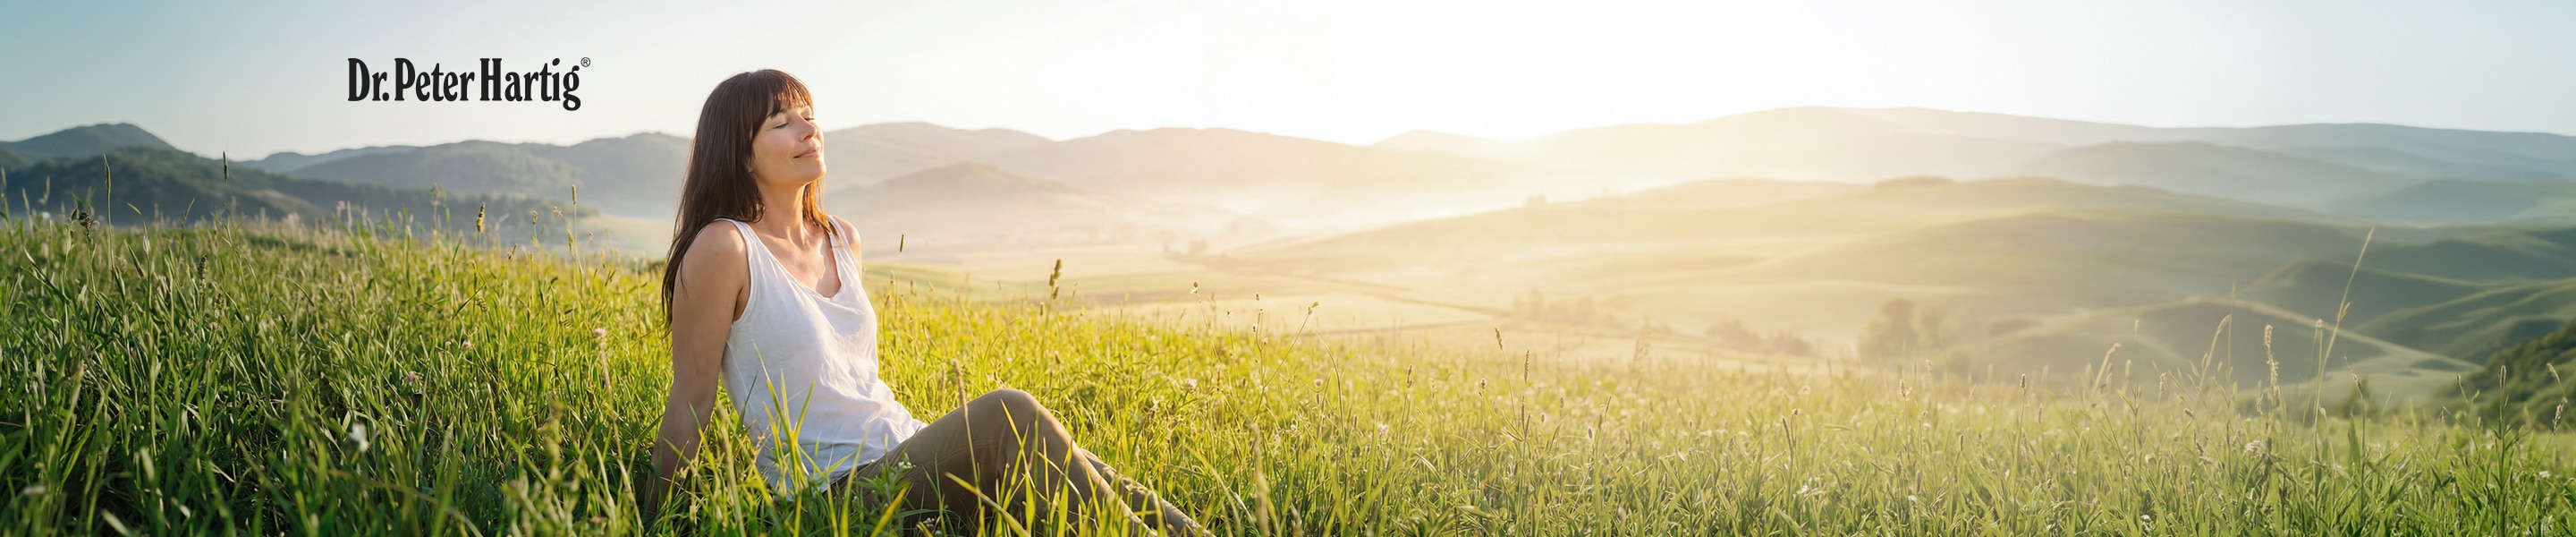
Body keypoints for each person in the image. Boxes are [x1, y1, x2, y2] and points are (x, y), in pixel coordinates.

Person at [639, 69, 1200, 534]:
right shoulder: (726, 247)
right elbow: (690, 400)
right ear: (740, 154)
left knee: (1086, 467)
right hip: (834, 495)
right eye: (782, 122)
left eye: (809, 116)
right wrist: (655, 523)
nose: (808, 130)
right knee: (1012, 413)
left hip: (904, 452)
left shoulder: (840, 238)